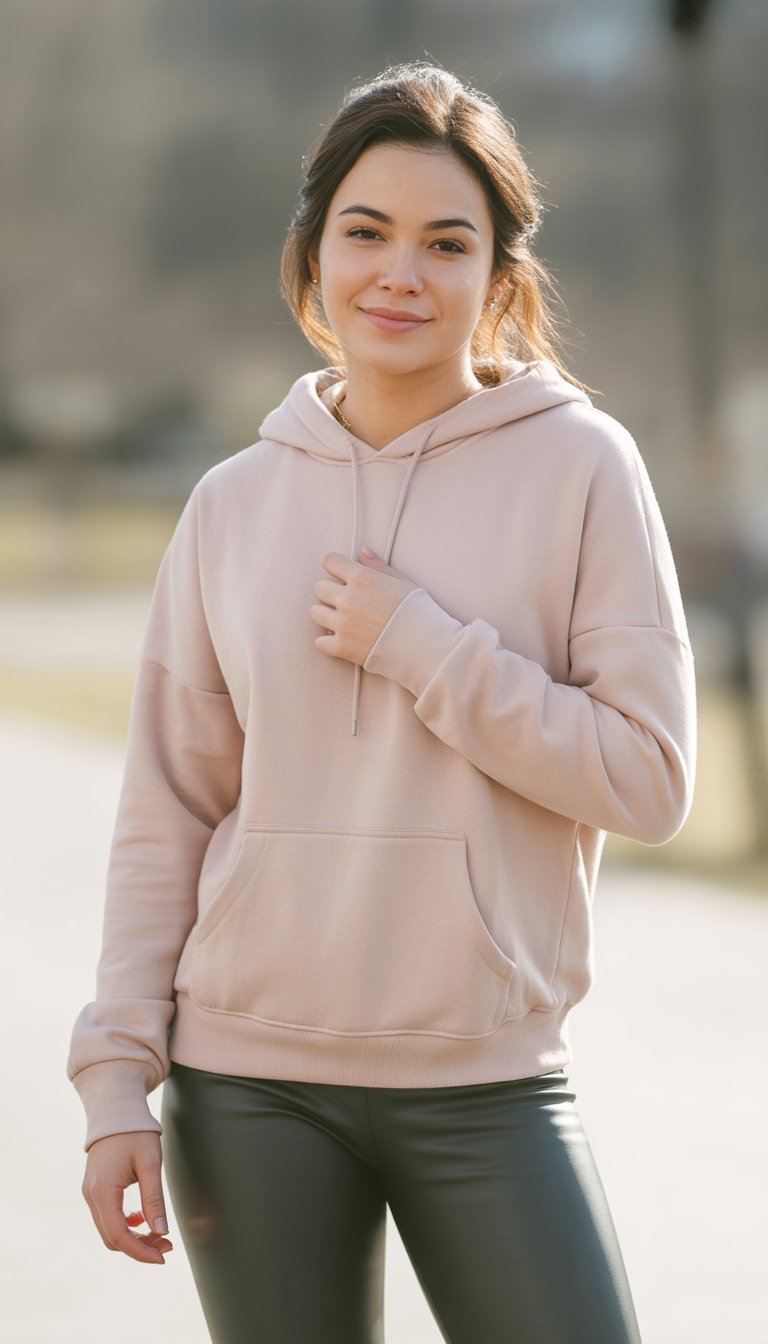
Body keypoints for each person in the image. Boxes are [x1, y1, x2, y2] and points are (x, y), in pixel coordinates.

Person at [68, 61, 697, 1344]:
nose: (399, 274)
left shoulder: (584, 468)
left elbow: (649, 777)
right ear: (313, 256)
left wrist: (427, 649)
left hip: (490, 1083)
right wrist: (117, 1083)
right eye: (366, 233)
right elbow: (168, 813)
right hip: (245, 1087)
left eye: (445, 243)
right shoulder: (233, 505)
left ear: (499, 279)